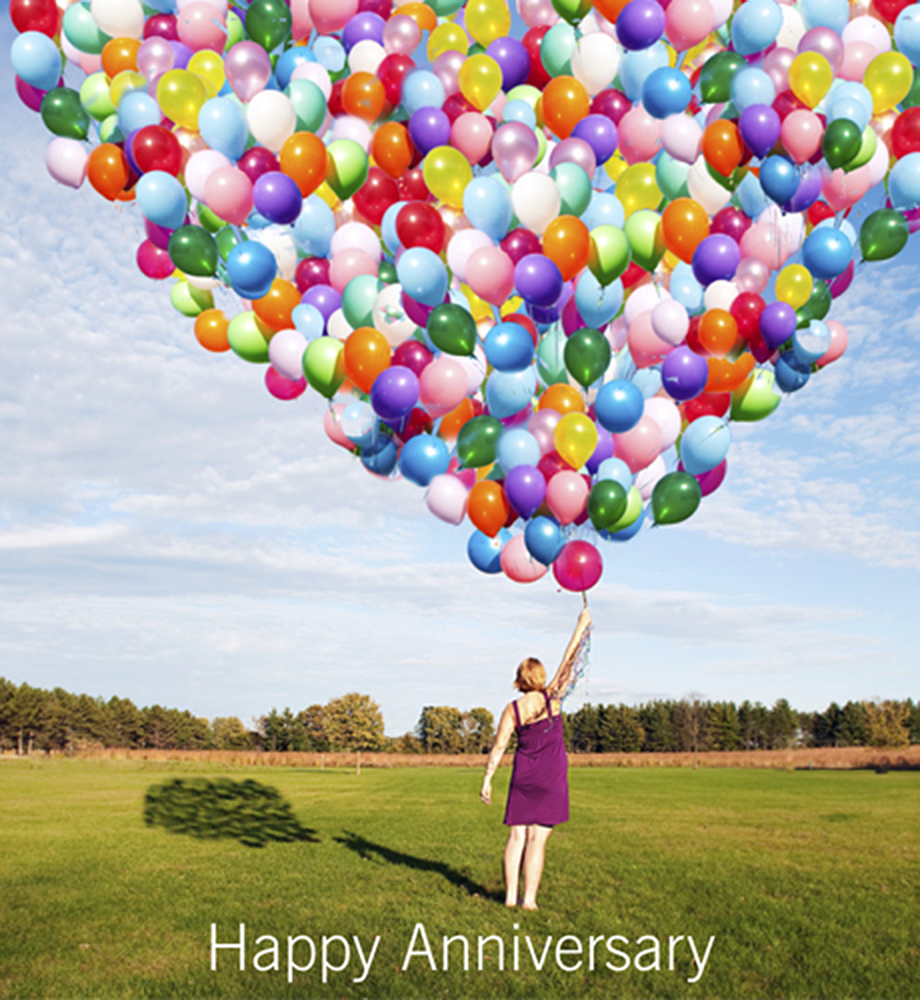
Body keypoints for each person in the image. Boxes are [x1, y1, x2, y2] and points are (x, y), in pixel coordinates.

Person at [480, 606, 591, 909]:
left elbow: (499, 747)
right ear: (540, 677)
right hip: (551, 779)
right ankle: (529, 901)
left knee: (516, 838)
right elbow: (569, 661)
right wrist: (581, 625)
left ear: (519, 679)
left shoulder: (512, 709)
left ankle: (509, 898)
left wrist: (488, 779)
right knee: (537, 841)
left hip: (524, 778)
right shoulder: (552, 698)